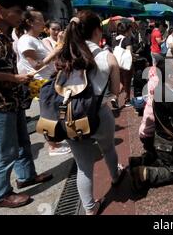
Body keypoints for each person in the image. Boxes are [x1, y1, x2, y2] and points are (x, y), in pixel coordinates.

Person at [0, 0, 52, 208]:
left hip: (11, 98)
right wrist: (12, 77)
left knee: (22, 142)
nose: (21, 17)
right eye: (16, 11)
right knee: (5, 150)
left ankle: (26, 176)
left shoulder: (5, 33)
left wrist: (18, 80)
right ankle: (1, 195)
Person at [55, 11, 125, 215]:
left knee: (83, 166)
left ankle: (89, 208)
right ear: (97, 31)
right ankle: (115, 176)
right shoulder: (107, 56)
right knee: (109, 149)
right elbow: (115, 91)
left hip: (70, 116)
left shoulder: (65, 55)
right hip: (99, 114)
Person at [130, 57, 173, 191]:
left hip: (159, 138)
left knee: (164, 160)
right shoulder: (169, 95)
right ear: (169, 75)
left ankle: (141, 160)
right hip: (168, 143)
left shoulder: (160, 88)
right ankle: (144, 173)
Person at [15, 8, 70, 156]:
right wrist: (58, 48)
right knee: (49, 113)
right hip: (41, 82)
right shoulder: (26, 40)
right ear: (30, 22)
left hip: (48, 80)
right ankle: (52, 145)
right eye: (40, 20)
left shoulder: (35, 39)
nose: (43, 23)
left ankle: (56, 138)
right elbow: (37, 65)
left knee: (56, 111)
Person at [116, 21, 135, 107]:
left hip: (117, 64)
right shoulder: (127, 39)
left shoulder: (115, 39)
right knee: (126, 83)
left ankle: (115, 97)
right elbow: (129, 53)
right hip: (125, 65)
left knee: (120, 83)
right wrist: (135, 56)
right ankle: (127, 100)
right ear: (127, 31)